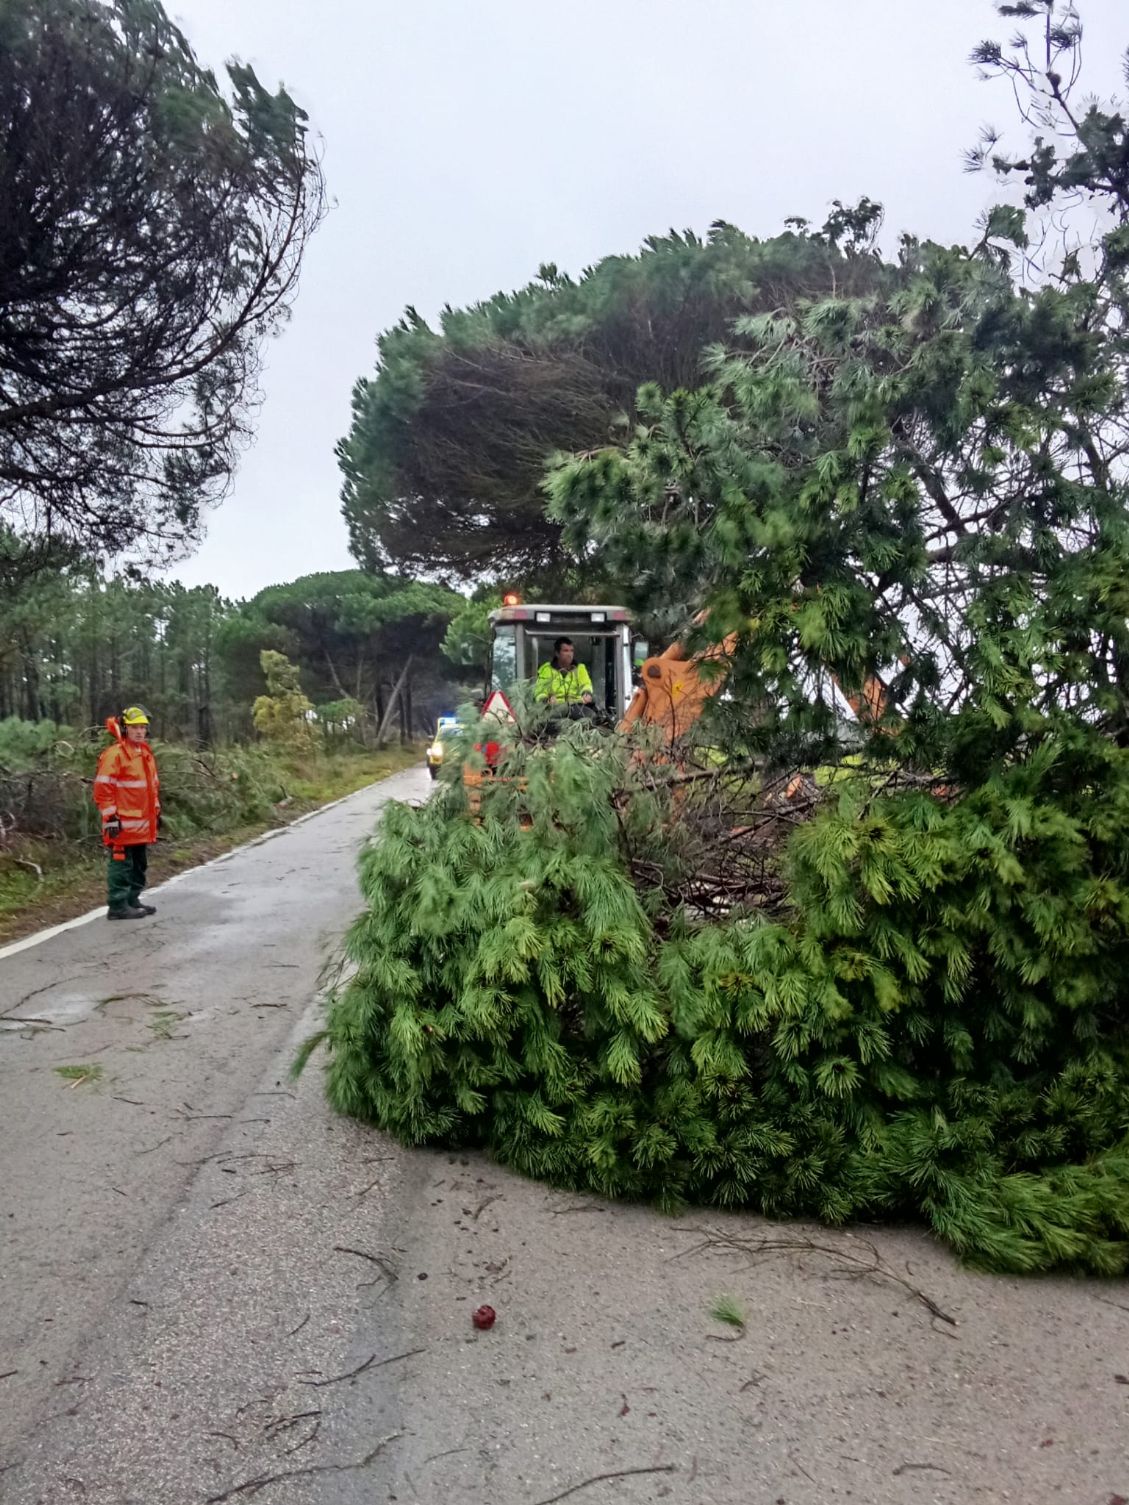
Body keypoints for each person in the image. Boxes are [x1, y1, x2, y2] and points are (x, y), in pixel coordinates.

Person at [93, 706, 161, 921]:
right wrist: (110, 817)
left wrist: (156, 813)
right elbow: (103, 789)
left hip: (141, 823)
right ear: (125, 729)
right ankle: (118, 905)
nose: (139, 732)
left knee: (139, 864)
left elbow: (151, 789)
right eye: (134, 728)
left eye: (142, 727)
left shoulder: (145, 753)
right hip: (121, 823)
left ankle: (132, 900)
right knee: (122, 864)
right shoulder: (115, 754)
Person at [534, 637, 595, 709]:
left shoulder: (580, 669)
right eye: (566, 651)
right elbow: (540, 691)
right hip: (553, 710)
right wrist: (546, 700)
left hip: (577, 708)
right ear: (557, 653)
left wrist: (587, 693)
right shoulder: (547, 669)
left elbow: (586, 684)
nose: (570, 654)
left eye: (571, 651)